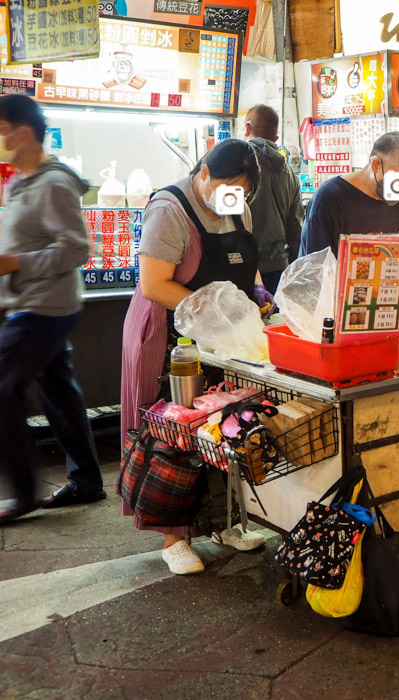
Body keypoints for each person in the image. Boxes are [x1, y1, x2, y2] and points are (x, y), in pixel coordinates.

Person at [121, 139, 268, 575]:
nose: (233, 197)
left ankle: (225, 522)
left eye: (241, 191)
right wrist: (212, 317)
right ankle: (174, 537)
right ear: (203, 172)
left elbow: (246, 264)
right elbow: (154, 284)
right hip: (172, 336)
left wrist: (258, 296)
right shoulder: (169, 209)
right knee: (176, 430)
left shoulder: (240, 203)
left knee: (228, 426)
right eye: (225, 185)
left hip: (225, 338)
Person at [0, 95, 106, 524]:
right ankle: (87, 482)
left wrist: (17, 263)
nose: (1, 138)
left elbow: (77, 247)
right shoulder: (18, 183)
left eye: (3, 129)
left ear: (24, 132)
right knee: (58, 391)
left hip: (45, 308)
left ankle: (23, 493)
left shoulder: (55, 184)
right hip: (24, 303)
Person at [299, 131, 399, 291]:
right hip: (330, 306)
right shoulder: (330, 197)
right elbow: (317, 269)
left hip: (377, 306)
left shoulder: (394, 201)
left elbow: (393, 255)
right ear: (376, 165)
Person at [241, 104, 302, 294]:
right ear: (275, 138)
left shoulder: (238, 164)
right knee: (272, 322)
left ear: (246, 128)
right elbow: (295, 229)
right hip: (279, 268)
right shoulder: (290, 173)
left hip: (244, 268)